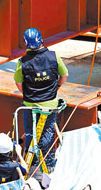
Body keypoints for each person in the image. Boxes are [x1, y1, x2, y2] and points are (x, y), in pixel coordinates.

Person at [14, 27, 67, 173]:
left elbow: (18, 83)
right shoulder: (54, 56)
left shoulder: (23, 62)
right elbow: (65, 75)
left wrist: (29, 94)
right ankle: (48, 165)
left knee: (31, 133)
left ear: (26, 43)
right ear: (41, 40)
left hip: (30, 105)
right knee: (48, 134)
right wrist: (57, 87)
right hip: (50, 105)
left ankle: (32, 165)